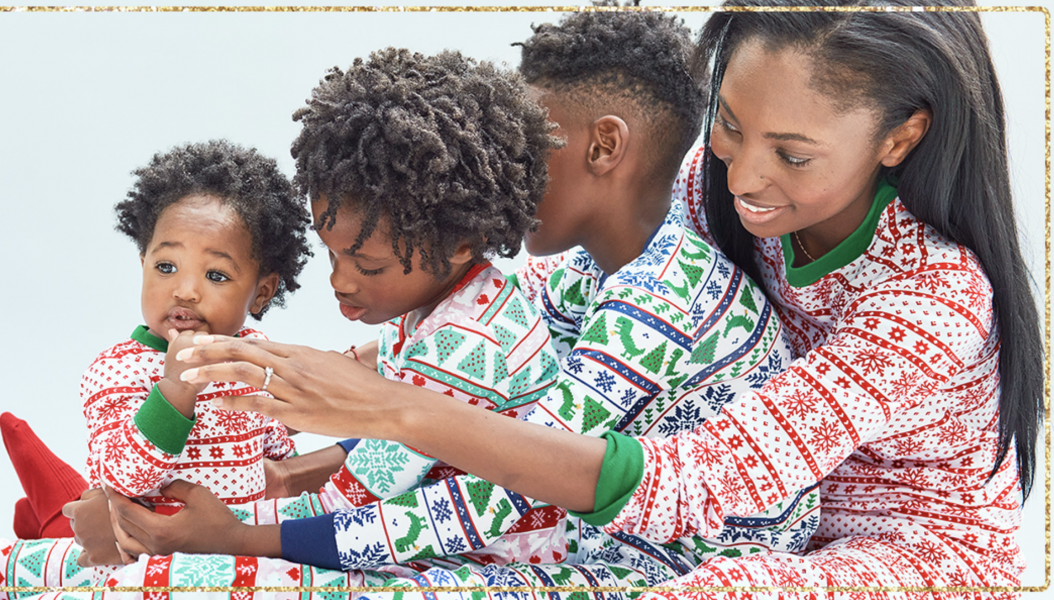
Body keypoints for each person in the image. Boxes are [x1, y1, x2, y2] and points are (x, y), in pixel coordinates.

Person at [175, 1, 1042, 597]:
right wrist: (378, 370)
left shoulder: (932, 300)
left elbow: (696, 477)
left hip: (895, 558)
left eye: (792, 154)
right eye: (728, 124)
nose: (743, 175)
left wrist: (391, 409)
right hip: (736, 519)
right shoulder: (712, 188)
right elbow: (544, 312)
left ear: (900, 136)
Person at [102, 9, 822, 596]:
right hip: (571, 526)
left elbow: (492, 497)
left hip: (669, 566)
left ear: (604, 147)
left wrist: (245, 536)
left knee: (240, 580)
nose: (505, 172)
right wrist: (285, 473)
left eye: (529, 145)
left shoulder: (662, 297)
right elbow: (452, 400)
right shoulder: (588, 270)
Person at [0, 139, 314, 597]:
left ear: (262, 292)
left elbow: (276, 460)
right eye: (166, 267)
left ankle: (46, 516)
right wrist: (173, 392)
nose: (185, 290)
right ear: (143, 262)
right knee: (63, 570)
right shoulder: (119, 369)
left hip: (238, 549)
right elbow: (120, 476)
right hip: (137, 553)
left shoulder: (255, 356)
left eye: (216, 275)